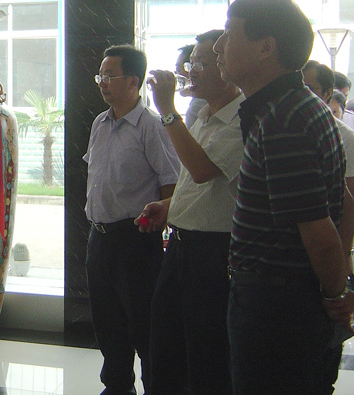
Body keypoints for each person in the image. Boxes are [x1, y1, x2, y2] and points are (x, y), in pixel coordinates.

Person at [213, 0, 348, 394]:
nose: (218, 46)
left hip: (277, 306)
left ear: (265, 47)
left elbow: (319, 229)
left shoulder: (283, 120)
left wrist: (335, 295)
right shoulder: (296, 106)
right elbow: (344, 201)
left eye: (229, 34)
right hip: (283, 299)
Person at [138, 29, 243, 395]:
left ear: (226, 67)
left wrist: (167, 110)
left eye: (200, 63)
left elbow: (201, 170)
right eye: (190, 63)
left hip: (213, 252)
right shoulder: (204, 115)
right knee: (165, 346)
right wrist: (168, 206)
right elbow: (197, 184)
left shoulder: (242, 118)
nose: (189, 70)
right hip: (181, 245)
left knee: (205, 352)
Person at [84, 44, 180, 395]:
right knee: (107, 322)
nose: (102, 82)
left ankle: (156, 387)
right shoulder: (100, 122)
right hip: (99, 237)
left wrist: (162, 222)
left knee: (144, 325)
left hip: (135, 239)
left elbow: (172, 183)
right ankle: (117, 386)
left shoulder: (151, 126)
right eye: (100, 75)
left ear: (133, 82)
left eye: (110, 76)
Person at [301, 60, 354, 394]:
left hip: (327, 253)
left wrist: (343, 256)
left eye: (309, 89)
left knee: (322, 351)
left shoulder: (343, 137)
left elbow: (350, 203)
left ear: (326, 94)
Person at [176, 43, 207, 127]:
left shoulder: (198, 106)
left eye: (179, 70)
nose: (176, 75)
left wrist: (166, 107)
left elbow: (184, 136)